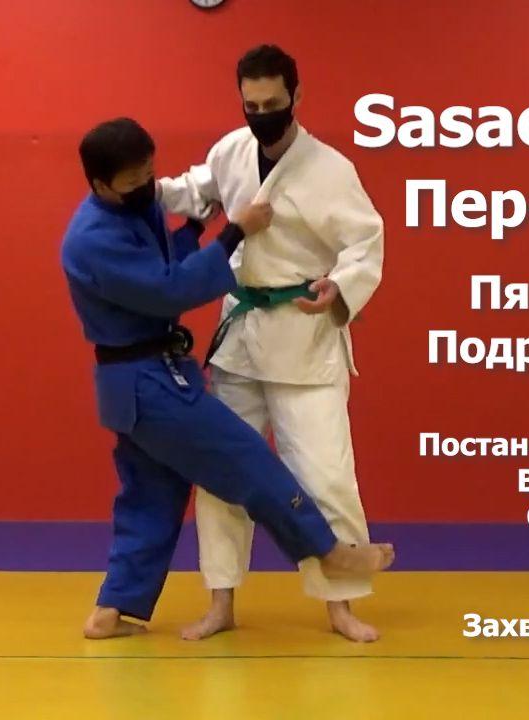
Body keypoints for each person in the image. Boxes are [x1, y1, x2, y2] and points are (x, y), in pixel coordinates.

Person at [60, 117, 394, 640]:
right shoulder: (91, 240)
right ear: (101, 184)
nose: (147, 187)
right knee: (244, 460)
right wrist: (234, 230)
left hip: (145, 380)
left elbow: (167, 259)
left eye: (150, 174)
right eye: (133, 181)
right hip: (149, 382)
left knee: (151, 497)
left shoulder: (130, 210)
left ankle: (112, 609)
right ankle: (326, 551)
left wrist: (195, 228)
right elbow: (169, 289)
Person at [159, 44, 385, 642]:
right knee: (221, 474)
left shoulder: (331, 169)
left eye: (272, 103)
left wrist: (339, 285)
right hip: (242, 336)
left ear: (296, 96)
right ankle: (221, 603)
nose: (262, 114)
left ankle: (340, 606)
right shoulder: (230, 152)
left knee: (327, 475)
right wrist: (135, 192)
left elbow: (366, 243)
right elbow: (192, 192)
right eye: (252, 105)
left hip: (305, 336)